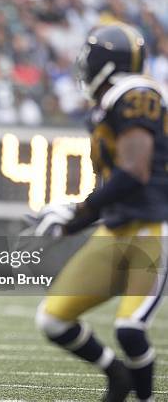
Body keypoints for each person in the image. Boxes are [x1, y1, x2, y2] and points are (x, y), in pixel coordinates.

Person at [29, 23, 167, 401]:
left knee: (130, 328)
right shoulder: (109, 106)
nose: (84, 68)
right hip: (117, 229)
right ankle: (116, 375)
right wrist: (74, 220)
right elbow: (114, 185)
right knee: (54, 319)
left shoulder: (137, 95)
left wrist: (83, 208)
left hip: (154, 229)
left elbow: (135, 171)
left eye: (90, 60)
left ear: (108, 63)